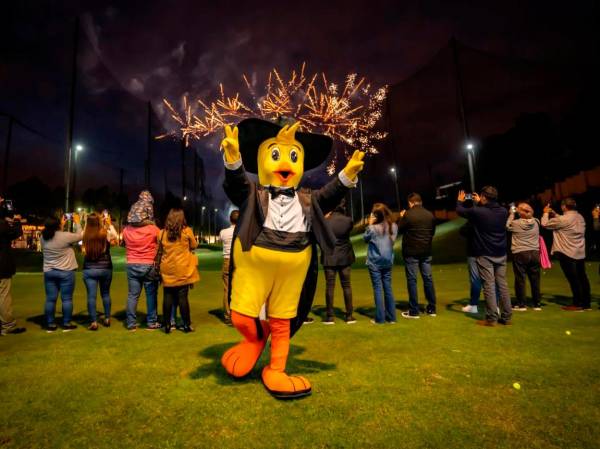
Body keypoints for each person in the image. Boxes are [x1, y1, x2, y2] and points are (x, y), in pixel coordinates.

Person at [456, 187, 512, 326]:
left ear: (484, 197)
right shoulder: (503, 211)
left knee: (489, 285)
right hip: (501, 252)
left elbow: (461, 211)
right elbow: (487, 213)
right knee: (502, 285)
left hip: (485, 253)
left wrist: (459, 201)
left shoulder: (478, 211)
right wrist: (481, 203)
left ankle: (491, 318)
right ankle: (506, 316)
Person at [542, 198, 591, 311]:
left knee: (573, 279)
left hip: (566, 251)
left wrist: (545, 213)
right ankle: (586, 303)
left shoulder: (563, 219)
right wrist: (555, 214)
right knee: (582, 277)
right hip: (579, 251)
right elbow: (565, 221)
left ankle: (577, 303)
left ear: (564, 206)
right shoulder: (580, 217)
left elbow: (545, 224)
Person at [123, 191, 161, 331]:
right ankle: (151, 322)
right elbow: (161, 243)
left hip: (132, 264)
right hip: (149, 264)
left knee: (133, 295)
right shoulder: (153, 229)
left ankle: (131, 323)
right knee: (151, 294)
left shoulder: (126, 230)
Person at [397, 193, 437, 319]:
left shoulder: (408, 214)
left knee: (412, 280)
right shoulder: (430, 215)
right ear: (420, 202)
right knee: (428, 279)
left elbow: (399, 229)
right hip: (426, 251)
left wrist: (402, 217)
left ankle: (414, 311)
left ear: (410, 202)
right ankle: (432, 308)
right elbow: (433, 232)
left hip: (411, 252)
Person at [159, 209, 199, 333]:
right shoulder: (187, 231)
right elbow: (194, 246)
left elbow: (160, 249)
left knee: (167, 296)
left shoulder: (161, 233)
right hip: (183, 269)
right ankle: (186, 324)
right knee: (183, 298)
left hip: (167, 269)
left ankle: (167, 325)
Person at [41, 214, 83, 332]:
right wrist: (77, 222)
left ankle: (50, 324)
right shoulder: (65, 236)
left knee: (50, 299)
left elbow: (55, 235)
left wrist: (61, 226)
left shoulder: (43, 237)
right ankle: (66, 323)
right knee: (67, 299)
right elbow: (80, 236)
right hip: (66, 271)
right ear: (57, 225)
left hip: (49, 271)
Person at [321, 199, 356, 324]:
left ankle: (330, 317)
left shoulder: (326, 221)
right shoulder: (348, 220)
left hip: (329, 257)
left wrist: (324, 219)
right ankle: (349, 316)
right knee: (346, 285)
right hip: (345, 256)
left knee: (330, 286)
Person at [82, 212, 118, 330]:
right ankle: (107, 318)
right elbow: (115, 237)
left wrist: (78, 223)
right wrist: (109, 224)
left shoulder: (85, 234)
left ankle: (93, 322)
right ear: (99, 222)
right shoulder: (104, 233)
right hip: (105, 268)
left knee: (91, 297)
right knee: (105, 294)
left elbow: (79, 234)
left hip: (89, 269)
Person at [364, 203, 398, 324]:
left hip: (375, 261)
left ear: (376, 215)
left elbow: (365, 238)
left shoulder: (372, 228)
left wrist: (369, 224)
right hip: (388, 260)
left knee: (378, 289)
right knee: (388, 287)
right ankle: (392, 317)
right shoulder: (393, 226)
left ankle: (380, 318)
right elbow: (392, 242)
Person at [506, 202, 541, 311]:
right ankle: (537, 304)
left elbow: (507, 226)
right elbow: (529, 216)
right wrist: (521, 211)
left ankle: (522, 304)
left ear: (520, 212)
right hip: (535, 253)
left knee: (520, 279)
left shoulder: (516, 223)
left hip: (521, 253)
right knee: (535, 279)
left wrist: (511, 214)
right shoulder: (536, 222)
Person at [0, 197, 26, 335]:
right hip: (2, 265)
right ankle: (7, 326)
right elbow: (16, 233)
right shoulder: (2, 224)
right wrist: (16, 221)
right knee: (4, 296)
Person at [219, 209, 239, 325]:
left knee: (227, 289)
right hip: (239, 261)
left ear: (230, 219)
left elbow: (221, 239)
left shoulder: (223, 232)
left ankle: (228, 315)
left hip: (227, 260)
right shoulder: (242, 231)